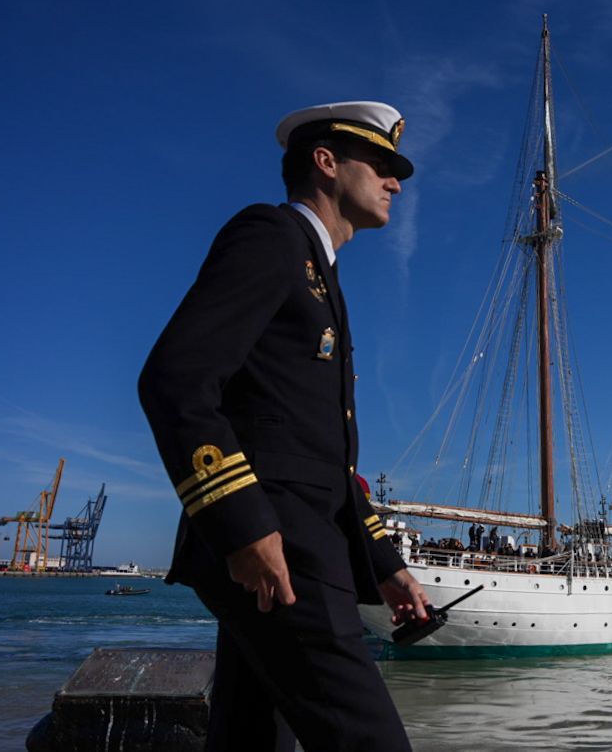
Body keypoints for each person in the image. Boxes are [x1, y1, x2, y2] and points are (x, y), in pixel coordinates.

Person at [138, 101, 430, 752]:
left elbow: (316, 451)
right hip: (281, 549)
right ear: (326, 163)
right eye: (381, 164)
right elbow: (176, 379)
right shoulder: (271, 237)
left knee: (250, 739)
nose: (395, 182)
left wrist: (382, 561)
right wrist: (243, 525)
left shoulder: (323, 279)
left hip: (287, 550)